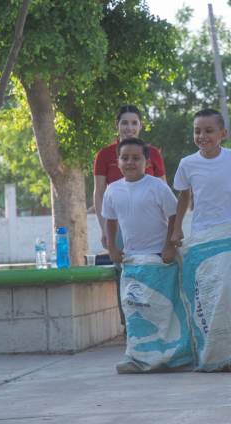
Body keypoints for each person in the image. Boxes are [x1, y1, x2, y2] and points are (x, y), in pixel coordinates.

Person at [169, 108, 231, 371]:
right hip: (201, 234)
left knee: (228, 290)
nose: (202, 136)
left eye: (208, 131)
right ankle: (211, 351)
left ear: (223, 134)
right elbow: (183, 197)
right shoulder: (187, 164)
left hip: (228, 231)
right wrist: (176, 229)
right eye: (197, 131)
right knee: (208, 292)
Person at [101, 137, 178, 373]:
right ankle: (135, 357)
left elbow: (174, 216)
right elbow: (110, 220)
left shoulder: (157, 187)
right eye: (125, 158)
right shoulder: (112, 190)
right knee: (135, 311)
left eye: (136, 158)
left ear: (147, 161)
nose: (130, 162)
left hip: (159, 261)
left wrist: (169, 247)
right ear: (118, 161)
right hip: (131, 262)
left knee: (161, 312)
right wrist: (113, 248)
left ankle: (168, 356)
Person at [93, 105, 166, 329]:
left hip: (153, 227)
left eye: (134, 123)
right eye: (125, 122)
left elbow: (163, 187)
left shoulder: (153, 154)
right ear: (117, 125)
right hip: (121, 227)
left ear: (140, 125)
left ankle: (159, 321)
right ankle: (131, 326)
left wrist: (169, 230)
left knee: (155, 270)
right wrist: (105, 229)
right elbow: (99, 193)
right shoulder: (105, 155)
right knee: (125, 273)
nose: (129, 127)